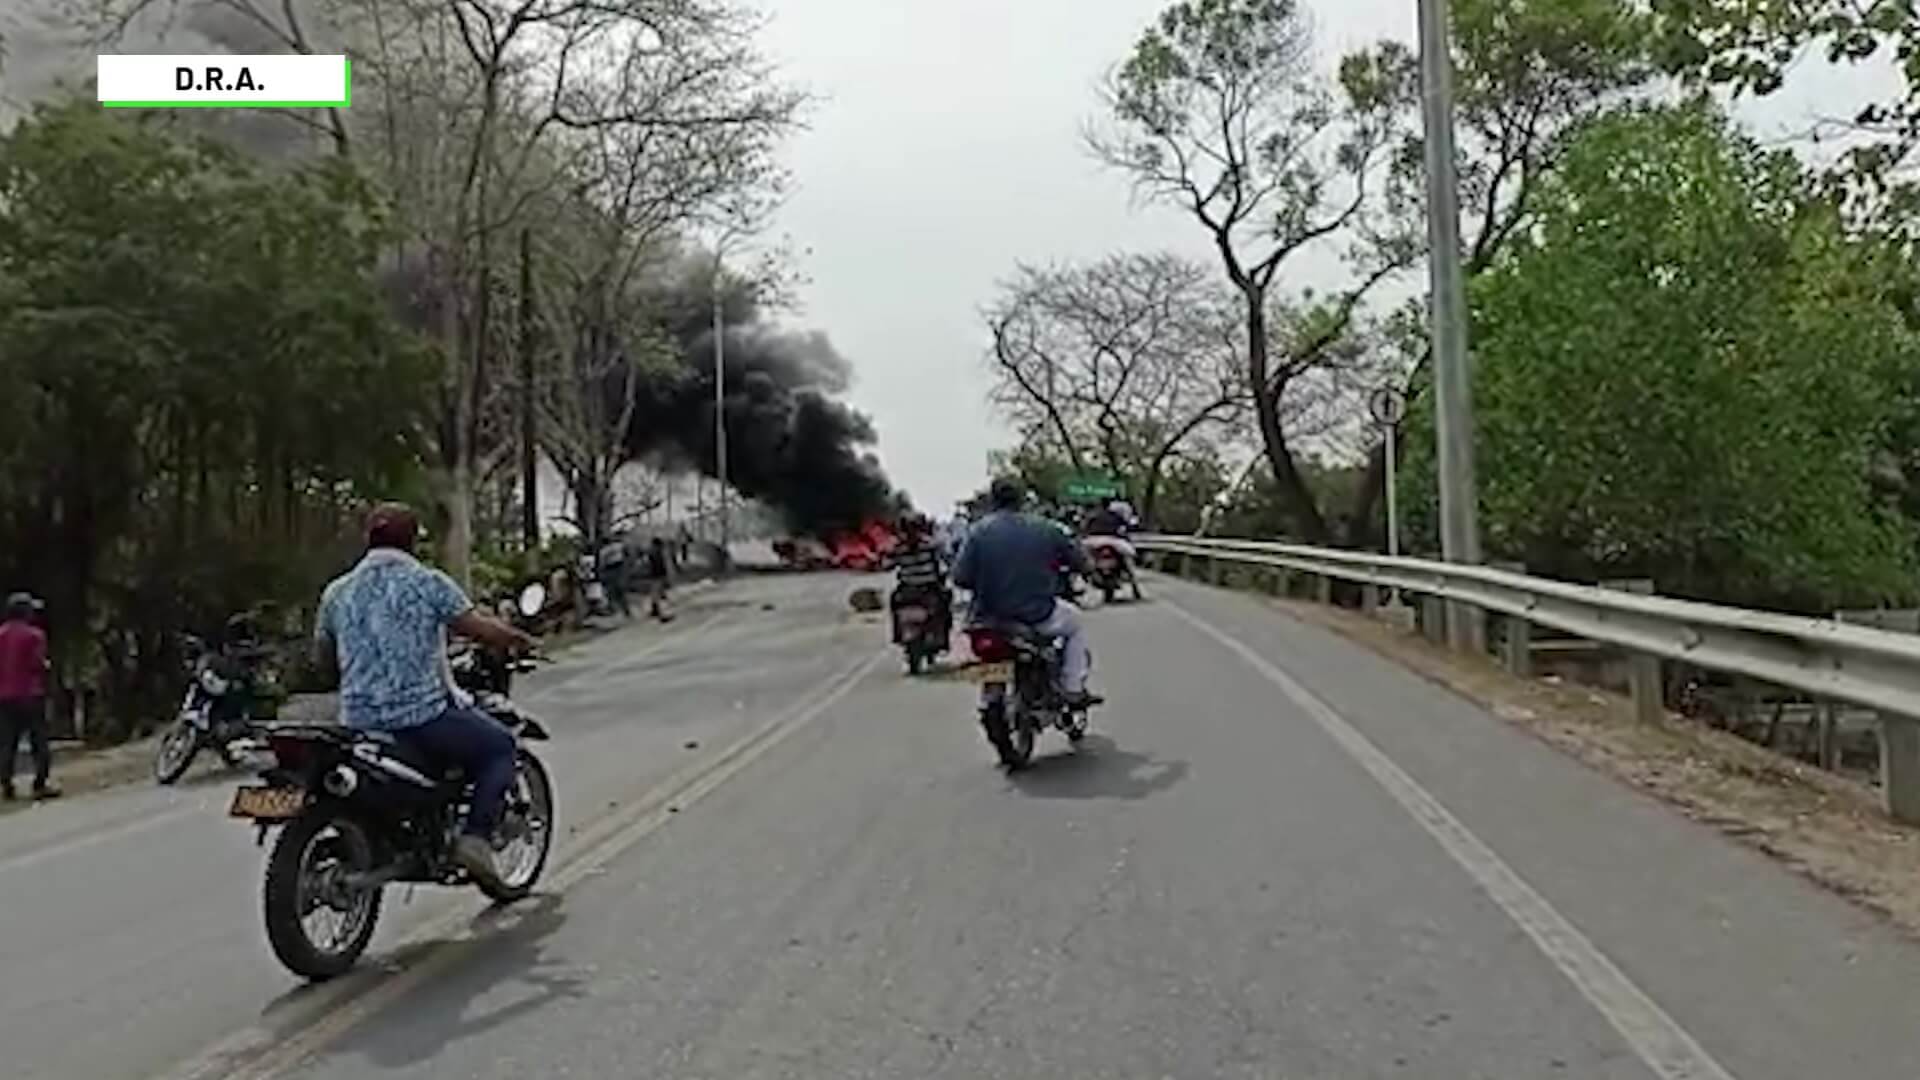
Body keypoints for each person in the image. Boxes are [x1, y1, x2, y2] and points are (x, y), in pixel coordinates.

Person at [313, 503, 535, 891]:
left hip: (357, 721)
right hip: (420, 718)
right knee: (500, 745)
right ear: (414, 541)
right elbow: (477, 628)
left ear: (368, 539)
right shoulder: (427, 583)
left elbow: (322, 657)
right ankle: (475, 839)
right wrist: (517, 639)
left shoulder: (337, 591)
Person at [953, 479, 1102, 713]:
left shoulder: (977, 532)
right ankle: (1073, 688)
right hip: (1037, 614)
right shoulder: (1045, 528)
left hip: (987, 620)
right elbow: (1079, 560)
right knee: (1075, 624)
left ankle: (989, 699)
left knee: (982, 661)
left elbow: (960, 577)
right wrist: (1088, 569)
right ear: (1022, 499)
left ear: (993, 500)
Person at [0, 592, 56, 800]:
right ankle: (40, 783)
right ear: (25, 612)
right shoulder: (35, 635)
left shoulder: (0, 635)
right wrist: (46, 667)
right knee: (39, 739)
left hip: (4, 696)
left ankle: (6, 784)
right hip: (31, 694)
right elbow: (37, 664)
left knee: (7, 741)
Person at [890, 514, 952, 642]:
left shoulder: (898, 547)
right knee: (945, 604)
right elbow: (943, 563)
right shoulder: (930, 544)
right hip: (928, 588)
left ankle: (898, 635)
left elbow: (889, 564)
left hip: (907, 589)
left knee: (894, 603)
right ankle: (943, 638)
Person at [646, 536, 675, 622]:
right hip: (658, 576)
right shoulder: (657, 553)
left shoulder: (651, 552)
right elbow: (661, 565)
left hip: (654, 576)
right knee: (659, 595)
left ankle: (655, 611)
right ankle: (663, 615)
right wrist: (665, 576)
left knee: (658, 594)